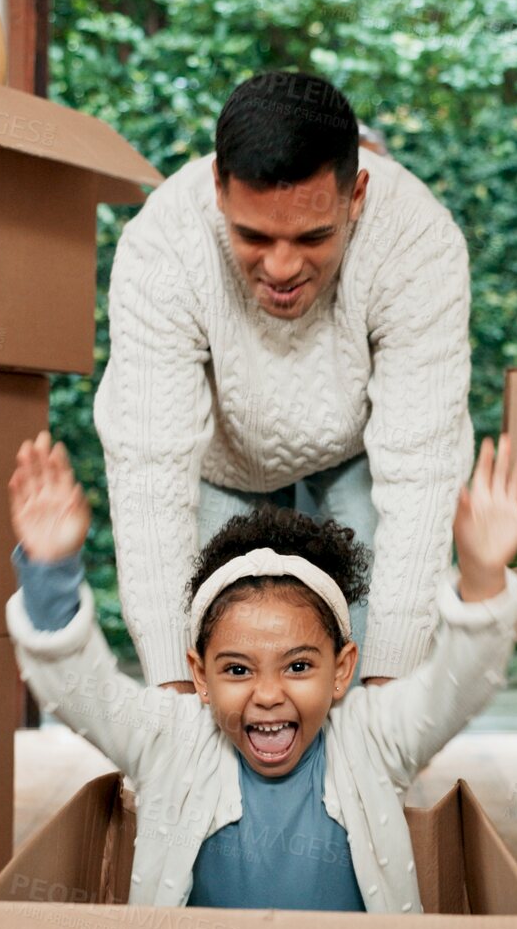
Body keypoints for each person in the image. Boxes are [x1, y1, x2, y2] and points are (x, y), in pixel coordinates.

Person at [4, 431, 517, 911]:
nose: (267, 694)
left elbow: (456, 685)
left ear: (342, 669)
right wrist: (51, 575)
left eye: (299, 666)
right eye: (237, 669)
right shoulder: (169, 738)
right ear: (199, 676)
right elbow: (82, 689)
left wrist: (484, 577)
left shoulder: (373, 739)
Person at [93, 70, 472, 693]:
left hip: (358, 449)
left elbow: (422, 468)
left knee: (376, 656)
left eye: (313, 237)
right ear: (219, 188)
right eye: (254, 236)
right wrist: (174, 694)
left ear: (356, 198)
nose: (282, 267)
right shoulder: (162, 244)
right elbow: (148, 472)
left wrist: (387, 702)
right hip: (225, 458)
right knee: (211, 653)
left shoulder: (418, 240)